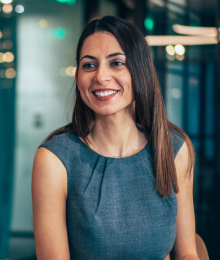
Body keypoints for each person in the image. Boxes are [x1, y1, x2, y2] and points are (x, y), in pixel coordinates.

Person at [32, 16, 199, 260]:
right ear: (77, 76)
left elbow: (187, 254)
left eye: (116, 63)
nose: (101, 76)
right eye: (89, 65)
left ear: (140, 70)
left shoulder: (174, 148)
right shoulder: (55, 159)